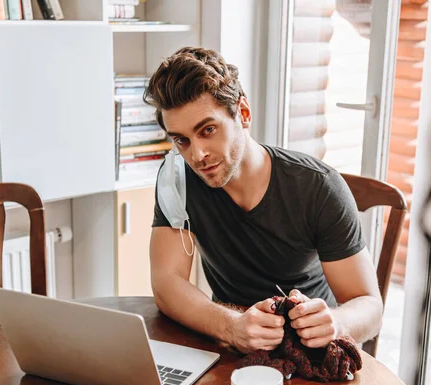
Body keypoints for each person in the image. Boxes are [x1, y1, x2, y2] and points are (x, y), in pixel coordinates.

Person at [145, 47, 383, 354]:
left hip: (309, 350)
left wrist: (336, 322)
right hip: (232, 344)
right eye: (182, 140)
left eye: (208, 130)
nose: (197, 155)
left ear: (243, 113)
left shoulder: (318, 187)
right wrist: (231, 326)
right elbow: (167, 282)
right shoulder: (177, 180)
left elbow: (370, 307)